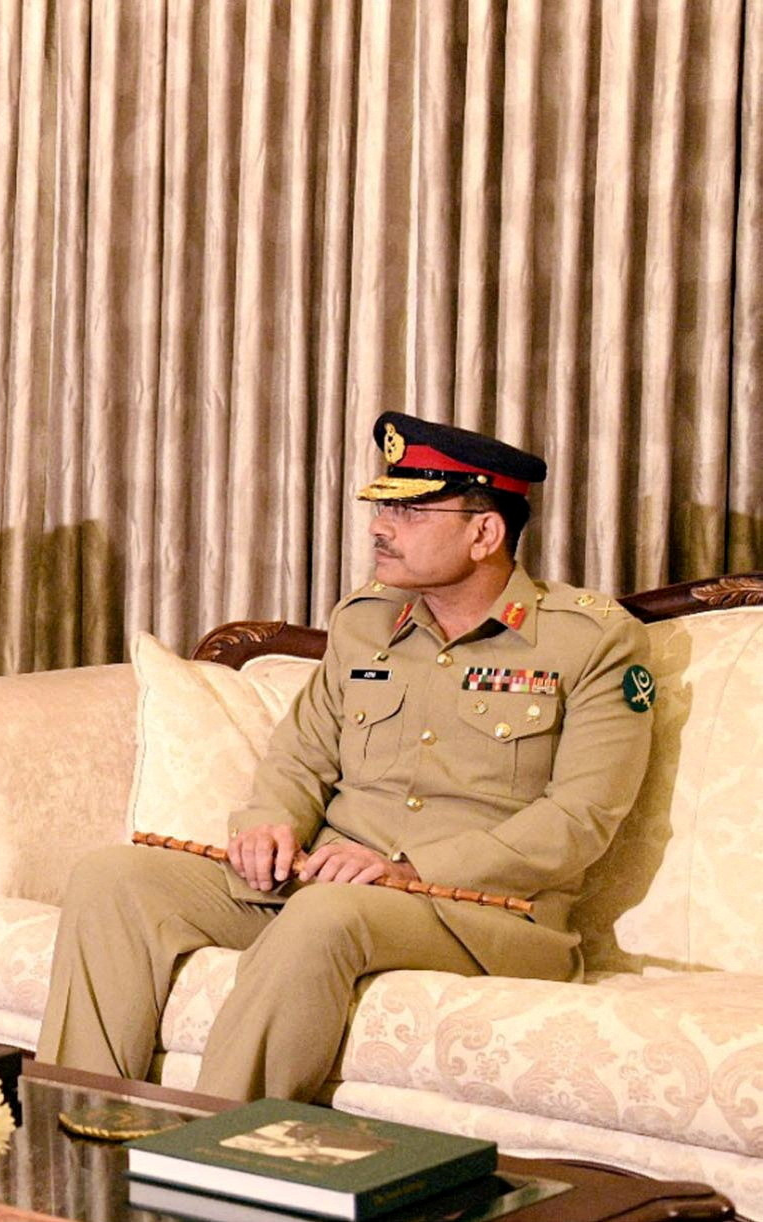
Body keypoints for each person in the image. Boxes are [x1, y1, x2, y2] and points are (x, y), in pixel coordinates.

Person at [37, 412, 657, 1101]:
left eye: (414, 513)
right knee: (112, 877)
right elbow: (300, 755)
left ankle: (212, 1163)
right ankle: (79, 1137)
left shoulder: (592, 641)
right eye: (384, 507)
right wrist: (269, 822)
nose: (380, 528)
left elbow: (580, 819)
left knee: (325, 915)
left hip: (483, 912)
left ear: (485, 533)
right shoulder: (365, 621)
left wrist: (409, 868)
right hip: (326, 885)